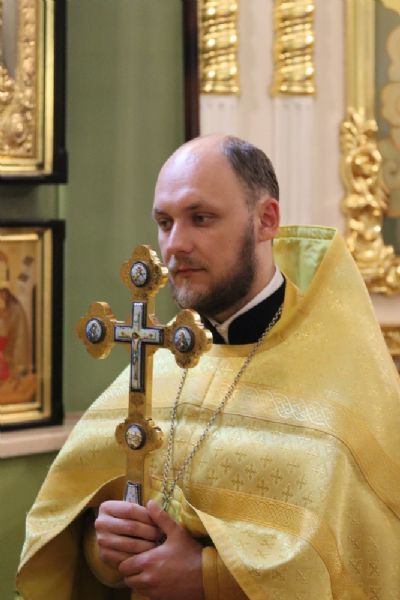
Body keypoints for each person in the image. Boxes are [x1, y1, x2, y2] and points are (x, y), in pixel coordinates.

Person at [17, 135, 400, 599]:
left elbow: (365, 557)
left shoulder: (342, 374)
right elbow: (80, 526)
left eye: (201, 218)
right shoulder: (158, 362)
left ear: (266, 220)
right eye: (164, 222)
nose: (175, 245)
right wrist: (106, 549)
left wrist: (209, 576)